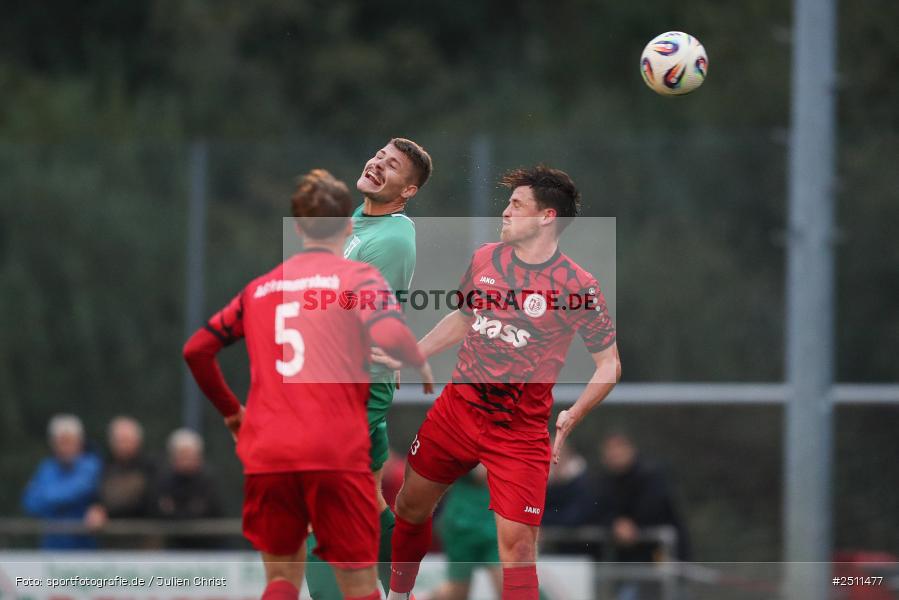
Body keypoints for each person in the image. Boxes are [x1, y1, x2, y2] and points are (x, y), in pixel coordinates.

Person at [183, 168, 434, 600]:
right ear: (347, 226)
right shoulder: (356, 279)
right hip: (333, 441)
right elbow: (389, 331)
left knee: (281, 581)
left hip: (269, 448)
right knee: (356, 578)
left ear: (297, 227)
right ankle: (400, 591)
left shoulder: (259, 289)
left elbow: (196, 351)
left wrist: (232, 412)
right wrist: (417, 362)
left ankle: (399, 587)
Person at [380, 166, 621, 600]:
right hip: (457, 411)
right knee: (410, 508)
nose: (505, 212)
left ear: (547, 217)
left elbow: (609, 365)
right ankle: (398, 597)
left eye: (516, 205)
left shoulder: (578, 286)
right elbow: (465, 316)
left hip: (519, 433)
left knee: (517, 548)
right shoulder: (486, 258)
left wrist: (572, 415)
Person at [306, 137, 432, 600]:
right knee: (365, 496)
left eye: (393, 166)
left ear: (408, 191)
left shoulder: (395, 237)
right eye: (378, 156)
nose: (378, 164)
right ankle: (399, 591)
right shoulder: (356, 220)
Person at [595, 433, 690, 563]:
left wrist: (634, 525)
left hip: (663, 553)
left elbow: (655, 506)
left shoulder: (651, 474)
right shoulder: (603, 481)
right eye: (609, 449)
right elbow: (598, 509)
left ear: (631, 449)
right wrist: (614, 523)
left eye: (618, 447)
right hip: (629, 559)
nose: (614, 454)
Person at [21, 414, 102, 549]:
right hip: (51, 547)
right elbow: (29, 503)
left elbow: (76, 491)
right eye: (60, 442)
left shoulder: (91, 465)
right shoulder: (46, 467)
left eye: (69, 441)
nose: (65, 447)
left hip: (84, 548)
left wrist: (45, 495)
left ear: (80, 442)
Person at [424, 465, 501, 600]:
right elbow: (481, 473)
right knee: (457, 592)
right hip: (462, 524)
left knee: (509, 586)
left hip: (494, 521)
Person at [84, 416, 157, 536]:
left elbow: (147, 504)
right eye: (119, 440)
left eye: (126, 440)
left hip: (143, 540)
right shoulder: (105, 468)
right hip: (113, 541)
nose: (123, 445)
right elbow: (97, 497)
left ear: (137, 441)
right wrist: (96, 510)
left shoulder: (150, 468)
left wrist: (107, 512)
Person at [153, 428, 223, 549]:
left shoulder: (208, 480)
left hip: (207, 546)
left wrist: (175, 512)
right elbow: (160, 510)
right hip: (172, 545)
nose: (186, 460)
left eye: (190, 455)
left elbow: (204, 511)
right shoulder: (163, 480)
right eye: (182, 455)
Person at [542, 445, 596, 556]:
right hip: (549, 554)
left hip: (579, 553)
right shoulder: (542, 484)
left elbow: (575, 517)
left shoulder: (584, 483)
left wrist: (542, 524)